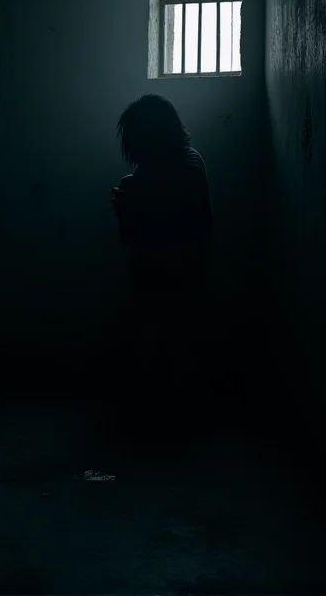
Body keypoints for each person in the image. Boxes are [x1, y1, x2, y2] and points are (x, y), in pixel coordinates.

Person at [109, 94, 214, 421]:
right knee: (162, 343)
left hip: (175, 275)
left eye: (136, 140)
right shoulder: (178, 165)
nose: (133, 152)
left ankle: (168, 415)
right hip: (166, 273)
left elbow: (145, 231)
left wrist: (131, 202)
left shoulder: (181, 169)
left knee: (169, 344)